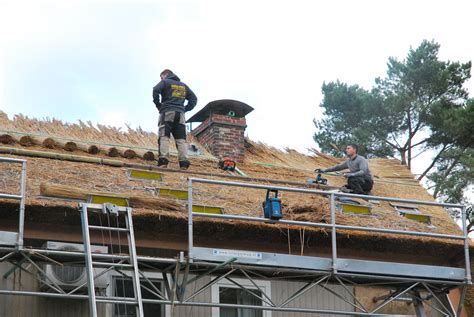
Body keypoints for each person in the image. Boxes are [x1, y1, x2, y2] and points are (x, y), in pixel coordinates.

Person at [153, 69, 197, 169]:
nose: (161, 79)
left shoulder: (165, 82)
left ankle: (163, 161)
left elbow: (155, 90)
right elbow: (194, 99)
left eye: (161, 77)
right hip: (180, 115)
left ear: (165, 75)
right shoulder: (183, 86)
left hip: (167, 112)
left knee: (164, 136)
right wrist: (185, 109)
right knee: (181, 139)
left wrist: (158, 105)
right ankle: (184, 163)